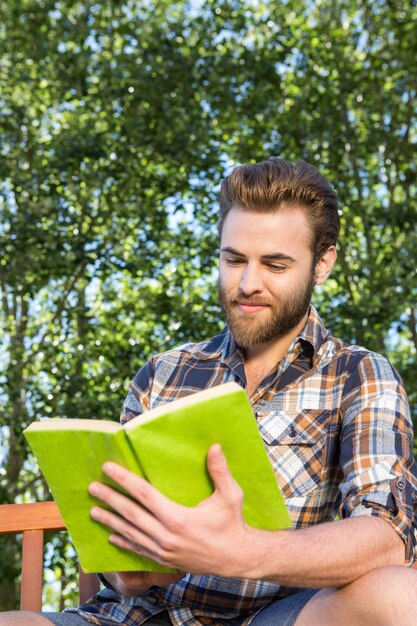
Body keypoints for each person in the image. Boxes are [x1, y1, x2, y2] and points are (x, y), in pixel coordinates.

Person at [2, 157, 417, 626]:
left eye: (275, 265)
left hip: (272, 618)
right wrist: (126, 571)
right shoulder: (164, 372)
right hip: (137, 618)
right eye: (233, 259)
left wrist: (243, 551)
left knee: (401, 594)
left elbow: (386, 536)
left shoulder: (359, 373)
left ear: (322, 264)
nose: (246, 284)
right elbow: (115, 560)